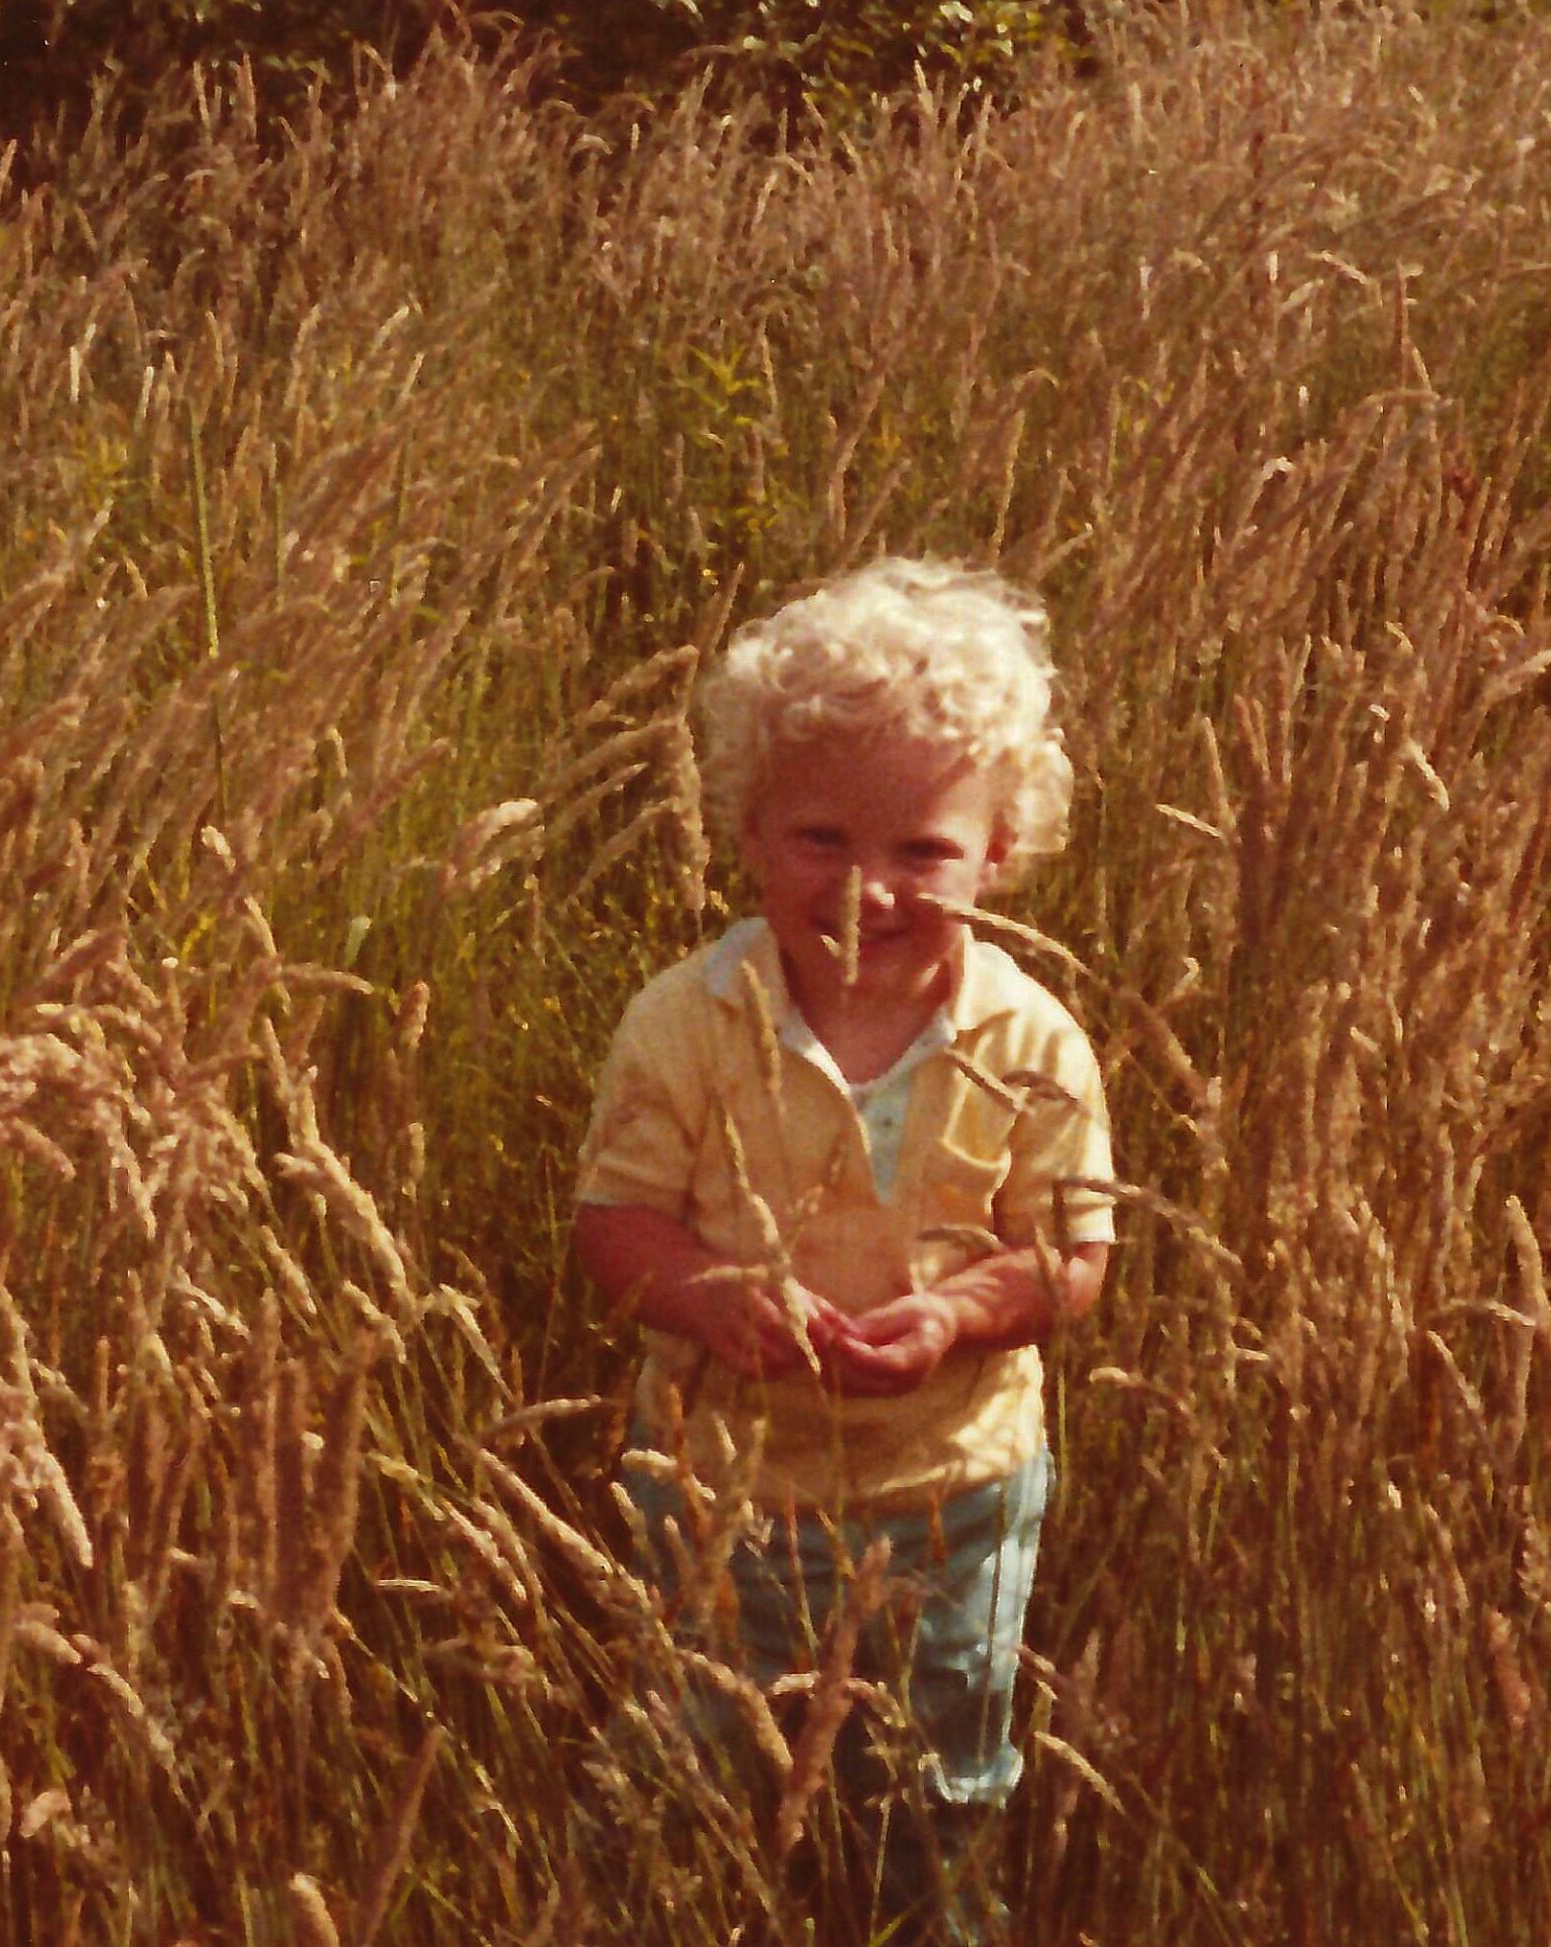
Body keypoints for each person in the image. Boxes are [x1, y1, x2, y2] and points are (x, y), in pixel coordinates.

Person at [572, 557, 1117, 1944]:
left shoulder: (1033, 1041)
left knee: (938, 1779)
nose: (868, 887)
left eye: (923, 850)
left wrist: (957, 1316)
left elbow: (1068, 1259)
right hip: (721, 1490)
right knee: (697, 1761)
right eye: (822, 838)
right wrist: (713, 1298)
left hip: (955, 1495)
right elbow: (616, 1224)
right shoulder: (687, 1022)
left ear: (999, 856)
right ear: (747, 830)